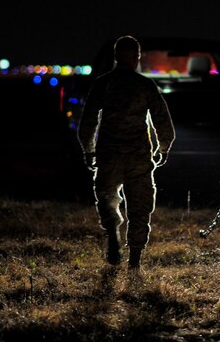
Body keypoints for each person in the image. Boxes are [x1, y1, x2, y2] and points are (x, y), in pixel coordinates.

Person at [77, 35, 175, 271]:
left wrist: (88, 151)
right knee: (140, 206)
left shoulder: (103, 83)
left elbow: (88, 122)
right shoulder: (145, 85)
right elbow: (163, 121)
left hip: (109, 153)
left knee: (107, 197)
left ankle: (112, 231)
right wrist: (163, 147)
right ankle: (135, 260)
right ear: (135, 57)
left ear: (115, 57)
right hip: (138, 155)